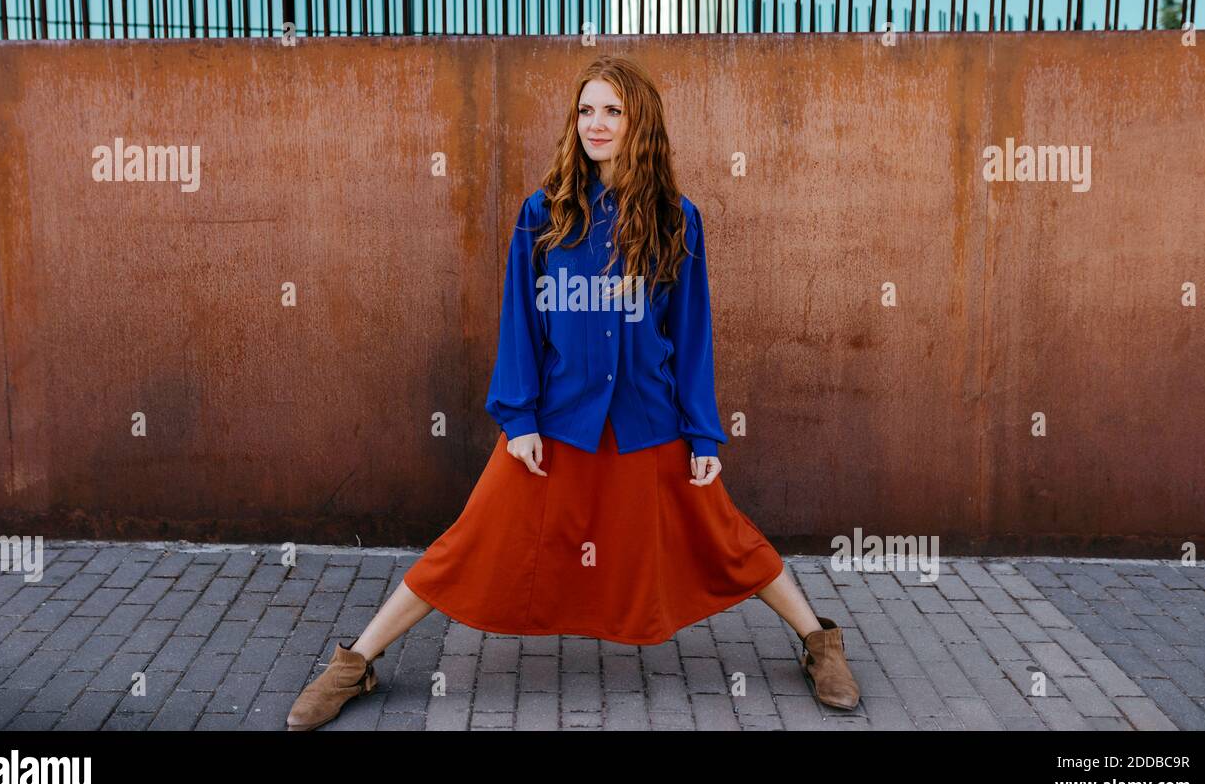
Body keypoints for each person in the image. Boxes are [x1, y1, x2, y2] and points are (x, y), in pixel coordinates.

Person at [286, 55, 860, 730]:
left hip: (650, 418)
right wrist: (518, 415)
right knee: (472, 539)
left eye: (612, 110)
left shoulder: (679, 220)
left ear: (638, 121)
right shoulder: (545, 213)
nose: (596, 123)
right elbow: (521, 323)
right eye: (586, 110)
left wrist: (702, 432)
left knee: (723, 536)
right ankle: (355, 663)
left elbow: (693, 330)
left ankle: (821, 643)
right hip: (557, 421)